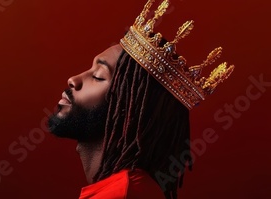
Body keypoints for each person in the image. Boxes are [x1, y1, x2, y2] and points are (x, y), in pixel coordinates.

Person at [47, 0, 234, 198]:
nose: (73, 80)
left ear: (128, 110)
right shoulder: (128, 188)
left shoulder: (121, 194)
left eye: (98, 76)